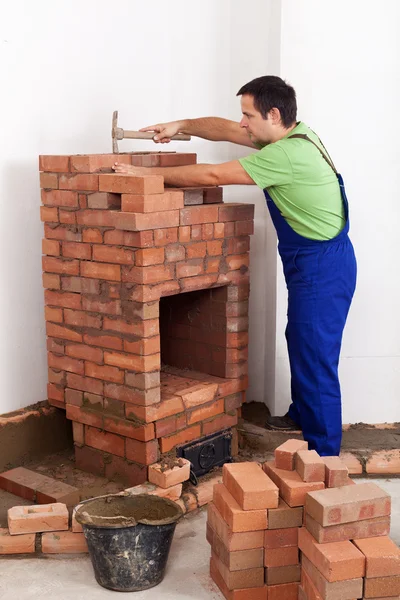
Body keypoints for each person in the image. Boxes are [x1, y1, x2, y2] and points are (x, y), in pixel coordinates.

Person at [113, 76, 357, 456]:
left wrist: (148, 176)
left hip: (322, 266)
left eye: (248, 115)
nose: (241, 123)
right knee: (301, 339)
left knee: (315, 352)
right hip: (315, 261)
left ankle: (324, 455)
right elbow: (224, 129)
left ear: (273, 114)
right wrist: (182, 125)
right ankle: (302, 415)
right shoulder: (294, 134)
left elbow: (213, 175)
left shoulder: (286, 155)